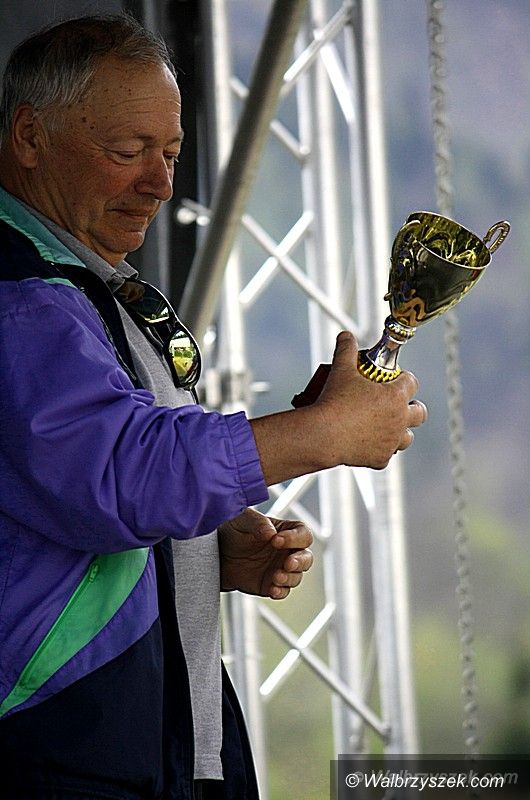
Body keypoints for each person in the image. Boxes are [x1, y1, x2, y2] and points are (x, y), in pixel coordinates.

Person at [0, 14, 427, 800]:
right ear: (30, 137)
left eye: (170, 154)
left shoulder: (79, 276)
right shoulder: (20, 295)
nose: (160, 184)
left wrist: (192, 554)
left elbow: (74, 496)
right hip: (62, 749)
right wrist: (321, 433)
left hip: (137, 738)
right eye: (128, 151)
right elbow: (120, 475)